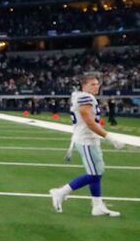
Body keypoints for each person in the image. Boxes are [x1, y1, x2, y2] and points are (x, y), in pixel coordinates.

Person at [50, 74, 125, 217]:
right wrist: (111, 138)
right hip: (86, 140)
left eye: (97, 84)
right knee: (94, 174)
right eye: (92, 84)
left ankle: (97, 206)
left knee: (97, 172)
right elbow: (90, 123)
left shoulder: (78, 95)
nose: (96, 86)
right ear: (84, 86)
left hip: (86, 139)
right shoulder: (85, 97)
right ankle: (60, 192)